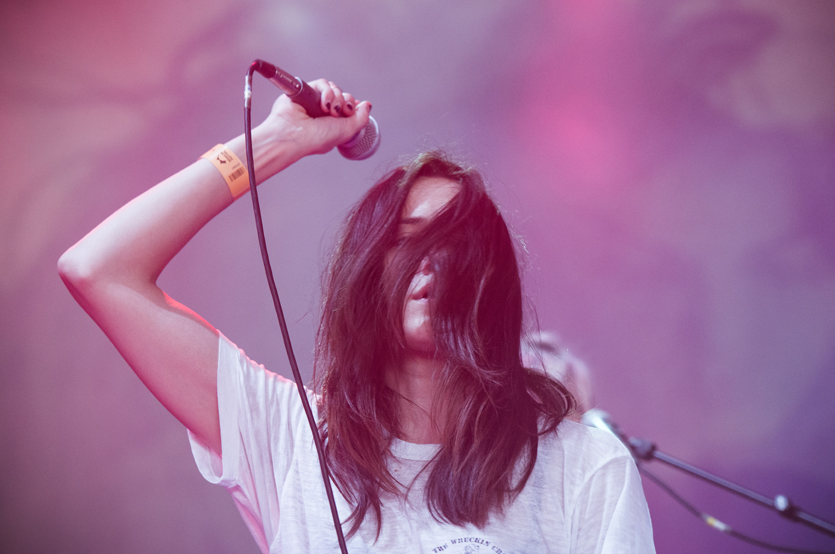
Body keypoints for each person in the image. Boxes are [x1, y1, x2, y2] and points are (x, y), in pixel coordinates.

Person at [58, 79, 655, 553]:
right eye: (411, 239)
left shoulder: (584, 468)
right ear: (368, 274)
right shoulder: (291, 439)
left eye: (460, 246)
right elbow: (98, 268)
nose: (436, 265)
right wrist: (274, 144)